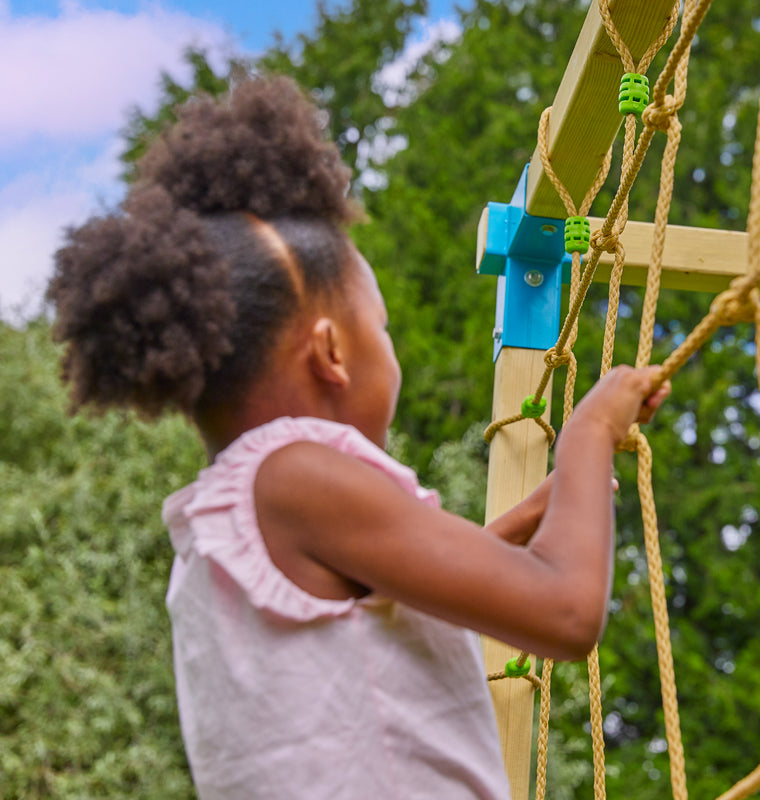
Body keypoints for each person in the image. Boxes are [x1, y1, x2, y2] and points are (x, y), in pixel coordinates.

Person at [47, 76, 670, 799]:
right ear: (331, 353)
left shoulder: (230, 514)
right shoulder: (299, 477)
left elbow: (390, 599)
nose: (388, 347)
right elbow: (564, 613)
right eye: (380, 328)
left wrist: (532, 517)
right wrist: (588, 429)